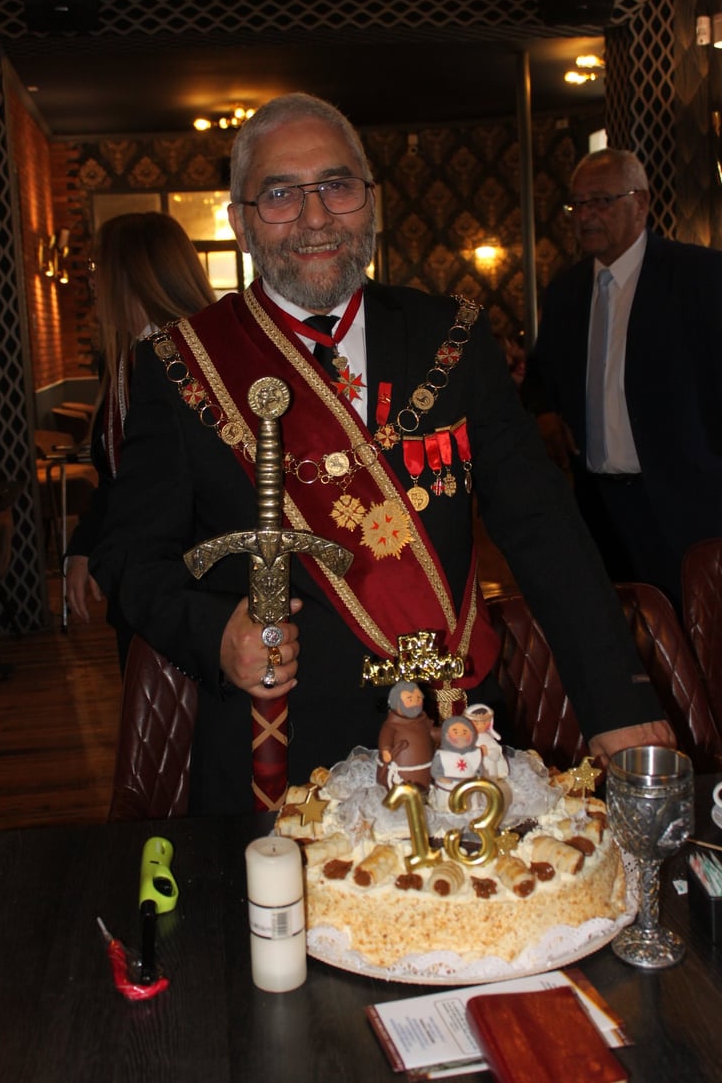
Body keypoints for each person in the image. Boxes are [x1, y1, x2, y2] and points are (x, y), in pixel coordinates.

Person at [90, 94, 673, 815]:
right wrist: (216, 634)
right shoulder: (184, 364)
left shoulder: (453, 336)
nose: (314, 217)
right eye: (280, 194)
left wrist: (617, 703)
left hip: (458, 738)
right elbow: (128, 557)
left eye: (337, 186)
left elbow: (542, 523)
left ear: (371, 201)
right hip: (278, 749)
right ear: (240, 221)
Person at [525, 148, 722, 611]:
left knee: (699, 633)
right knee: (621, 632)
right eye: (577, 204)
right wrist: (547, 413)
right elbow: (540, 376)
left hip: (686, 502)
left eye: (601, 201)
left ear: (641, 203)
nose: (585, 216)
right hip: (600, 509)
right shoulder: (566, 291)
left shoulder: (699, 276)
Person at [65, 211, 215, 667]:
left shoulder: (194, 364)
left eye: (97, 268)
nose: (92, 283)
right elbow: (119, 477)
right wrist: (84, 547)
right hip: (141, 589)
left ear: (135, 274)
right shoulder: (125, 360)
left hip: (191, 595)